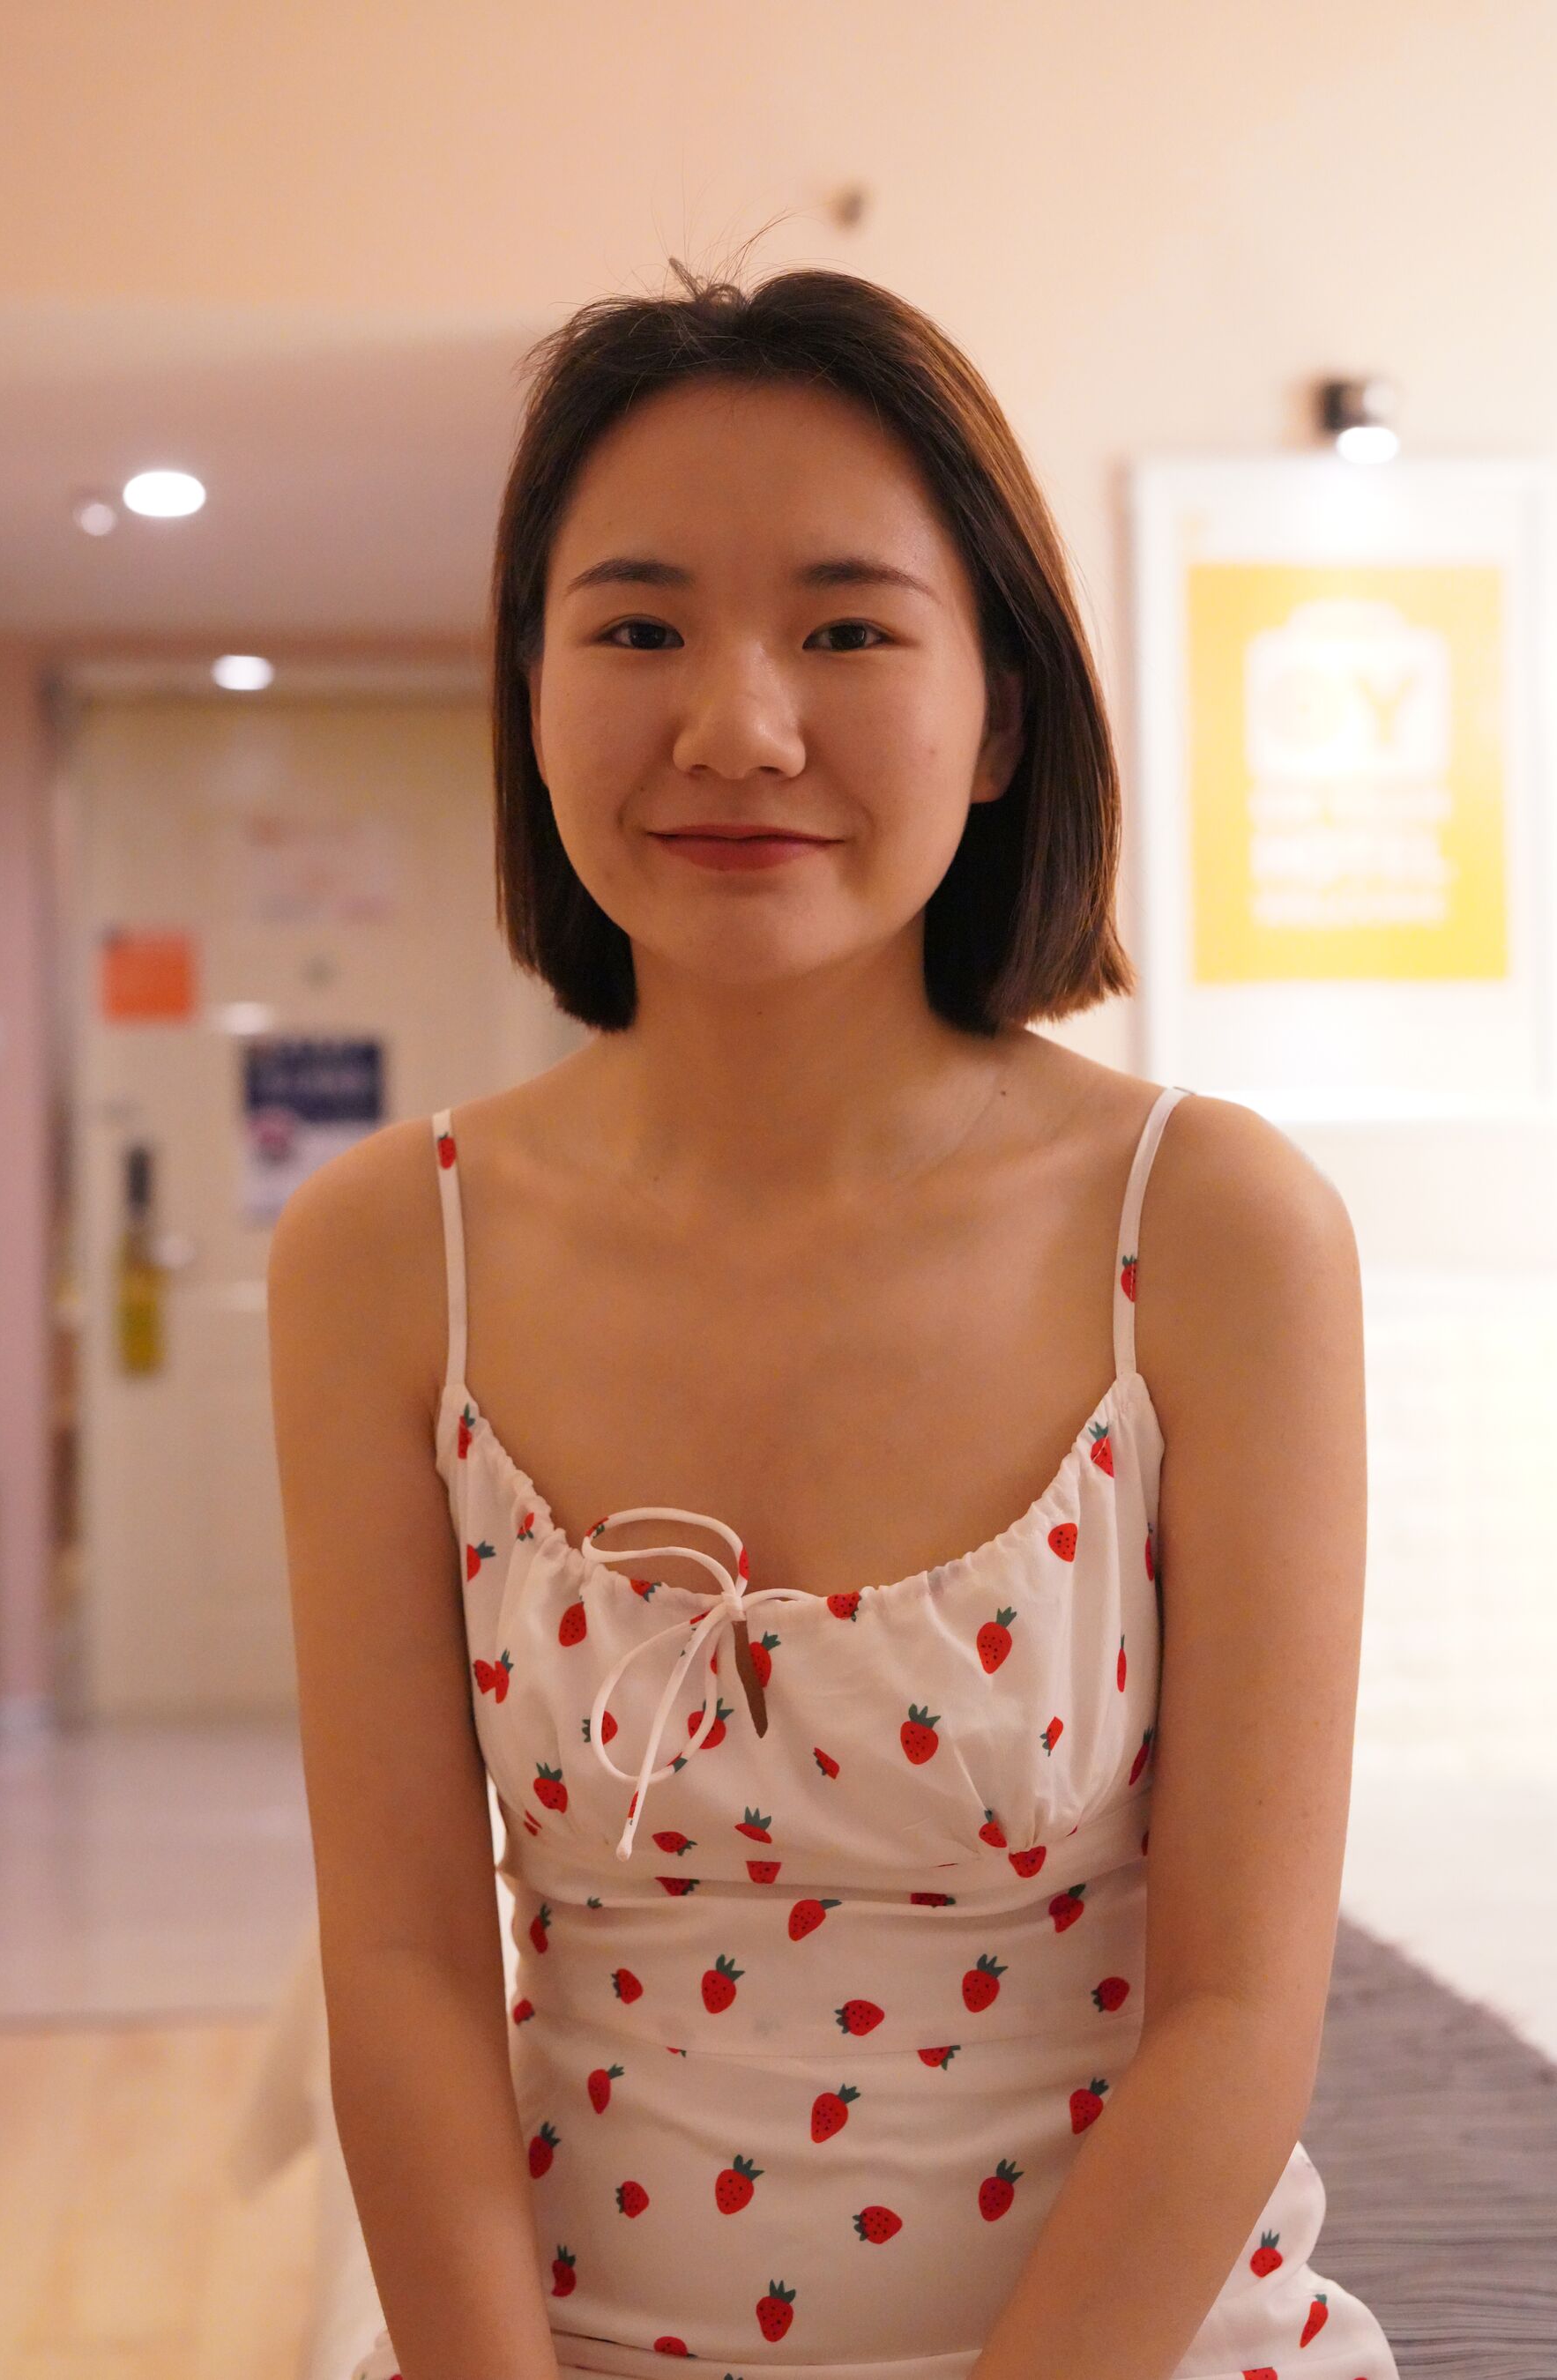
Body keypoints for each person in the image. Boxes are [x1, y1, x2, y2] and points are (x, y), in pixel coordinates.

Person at [267, 254, 1397, 2380]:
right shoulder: (384, 1251)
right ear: (532, 694)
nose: (737, 727)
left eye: (849, 629)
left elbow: (1243, 2008)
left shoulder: (1212, 1230)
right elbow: (406, 1964)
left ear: (1004, 718)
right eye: (637, 629)